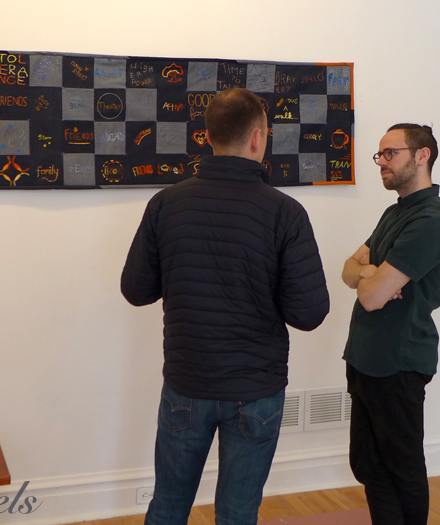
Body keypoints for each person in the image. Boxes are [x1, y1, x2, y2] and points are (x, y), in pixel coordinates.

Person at [121, 87, 330, 525]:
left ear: (208, 137)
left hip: (187, 383)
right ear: (257, 137)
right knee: (237, 512)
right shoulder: (285, 213)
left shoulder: (166, 204)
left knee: (168, 505)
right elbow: (309, 314)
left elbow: (136, 290)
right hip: (255, 390)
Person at [341, 124, 440, 525]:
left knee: (402, 468)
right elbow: (348, 269)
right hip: (365, 359)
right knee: (368, 464)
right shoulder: (395, 212)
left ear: (422, 155)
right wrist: (369, 272)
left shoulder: (431, 222)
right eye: (380, 155)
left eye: (391, 153)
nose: (382, 162)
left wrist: (371, 279)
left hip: (398, 363)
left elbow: (372, 297)